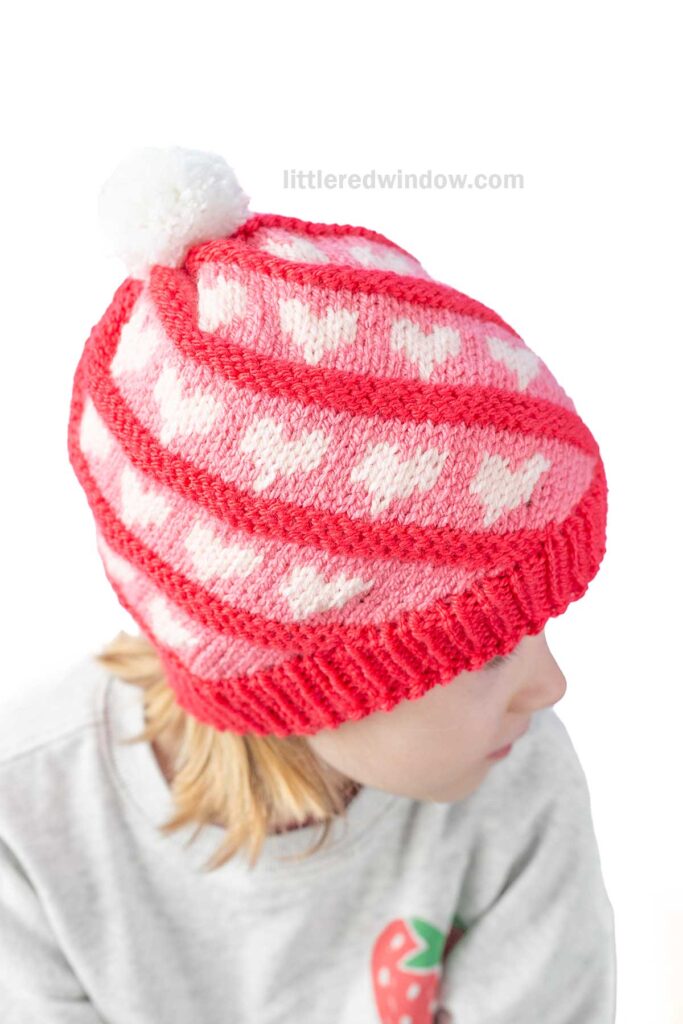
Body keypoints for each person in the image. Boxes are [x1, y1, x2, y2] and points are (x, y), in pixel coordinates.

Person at [0, 146, 616, 1023]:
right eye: (481, 654)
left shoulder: (514, 786)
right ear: (312, 682)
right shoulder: (30, 819)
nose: (549, 686)